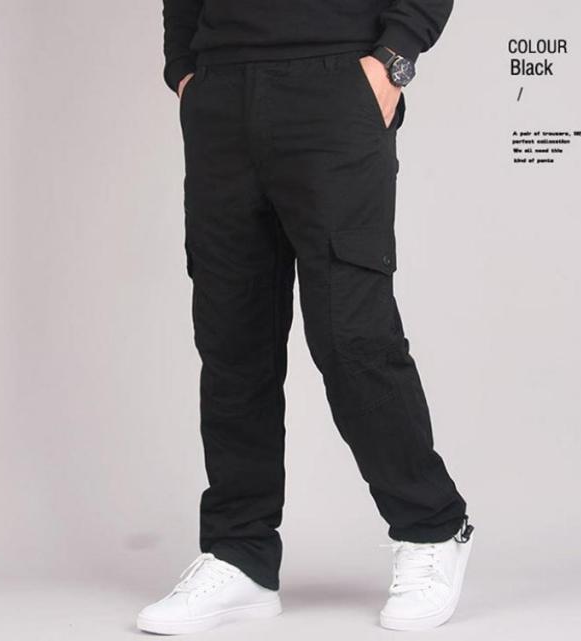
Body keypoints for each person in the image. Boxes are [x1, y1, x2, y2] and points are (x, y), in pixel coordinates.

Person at [138, 0, 473, 634]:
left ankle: (433, 526)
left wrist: (393, 60)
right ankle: (240, 554)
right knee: (232, 339)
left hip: (337, 83)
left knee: (351, 336)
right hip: (221, 95)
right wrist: (184, 69)